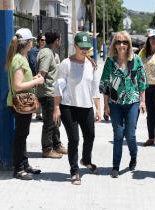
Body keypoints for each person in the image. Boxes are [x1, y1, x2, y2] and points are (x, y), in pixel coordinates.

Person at [53, 32, 101, 185]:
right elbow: (58, 87)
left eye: (87, 47)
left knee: (91, 136)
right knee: (74, 140)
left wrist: (98, 109)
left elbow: (95, 89)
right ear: (75, 46)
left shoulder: (92, 65)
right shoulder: (66, 63)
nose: (84, 50)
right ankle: (74, 171)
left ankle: (85, 160)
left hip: (86, 107)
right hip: (69, 107)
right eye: (81, 47)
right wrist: (56, 107)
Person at [100, 31, 148, 178]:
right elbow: (105, 84)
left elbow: (142, 82)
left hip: (132, 102)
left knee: (130, 135)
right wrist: (106, 105)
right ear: (114, 44)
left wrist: (143, 101)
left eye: (125, 42)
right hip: (115, 103)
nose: (122, 45)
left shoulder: (136, 60)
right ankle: (115, 166)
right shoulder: (110, 61)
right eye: (119, 42)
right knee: (118, 134)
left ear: (129, 44)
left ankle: (133, 156)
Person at [6, 28, 44, 180]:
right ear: (28, 43)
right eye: (32, 41)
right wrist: (37, 80)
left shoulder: (18, 58)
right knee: (21, 136)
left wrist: (33, 78)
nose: (33, 43)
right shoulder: (19, 60)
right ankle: (18, 169)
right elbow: (17, 86)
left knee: (23, 134)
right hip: (21, 103)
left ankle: (24, 164)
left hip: (21, 103)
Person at [36, 31, 67, 158]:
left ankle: (57, 145)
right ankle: (47, 149)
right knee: (49, 122)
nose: (60, 42)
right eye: (59, 40)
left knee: (55, 121)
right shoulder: (47, 54)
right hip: (47, 93)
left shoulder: (50, 52)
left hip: (52, 92)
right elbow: (41, 74)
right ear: (56, 40)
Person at [28, 34, 46, 121]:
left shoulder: (46, 51)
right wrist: (39, 74)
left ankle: (39, 113)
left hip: (43, 76)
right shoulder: (33, 51)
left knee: (41, 95)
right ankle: (34, 112)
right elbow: (33, 63)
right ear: (39, 40)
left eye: (45, 40)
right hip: (36, 76)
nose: (44, 41)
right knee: (35, 95)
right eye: (42, 40)